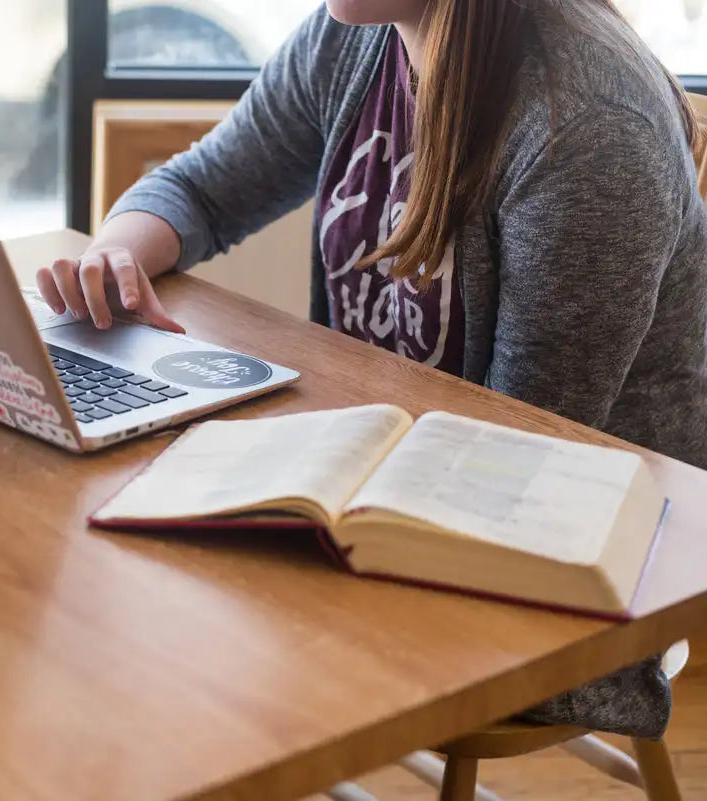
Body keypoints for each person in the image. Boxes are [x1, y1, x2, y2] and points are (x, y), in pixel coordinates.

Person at [37, 0, 707, 738]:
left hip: (549, 566)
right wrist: (117, 253)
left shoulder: (588, 124)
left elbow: (521, 455)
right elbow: (199, 189)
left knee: (142, 629)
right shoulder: (356, 34)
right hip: (386, 499)